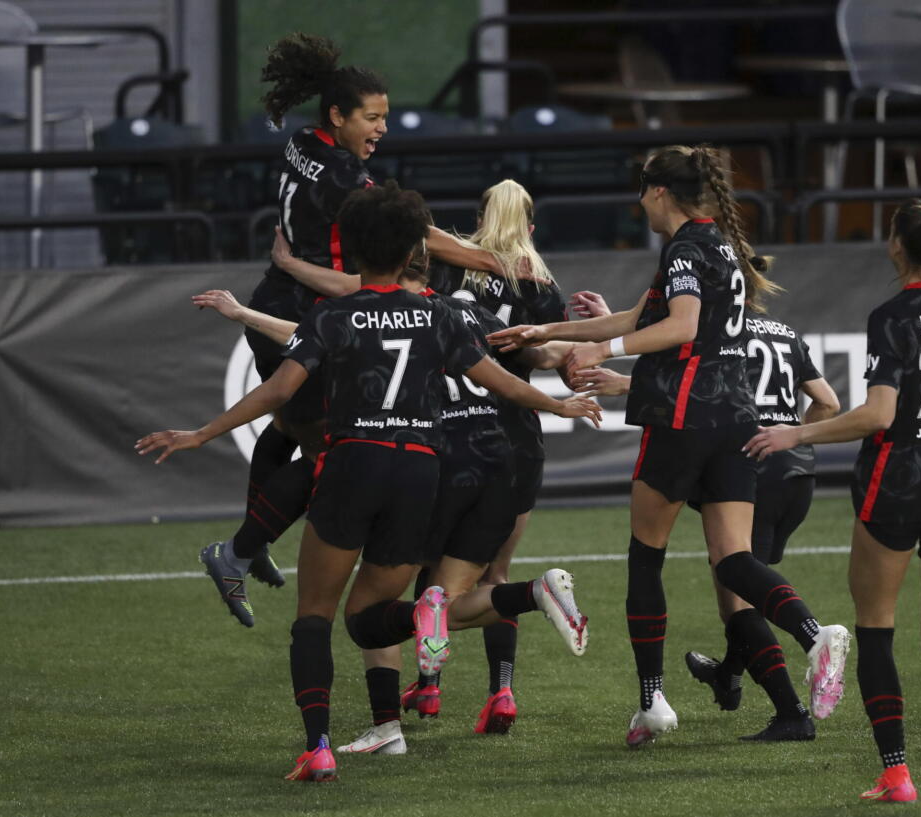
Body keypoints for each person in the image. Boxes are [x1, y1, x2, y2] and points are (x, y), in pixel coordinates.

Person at [137, 182, 600, 781]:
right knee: (370, 614)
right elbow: (500, 381)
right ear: (417, 249)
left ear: (352, 250)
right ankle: (426, 618)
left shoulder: (332, 313)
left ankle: (319, 746)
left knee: (316, 616)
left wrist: (200, 433)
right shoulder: (442, 313)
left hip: (356, 462)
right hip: (421, 471)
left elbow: (278, 390)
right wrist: (560, 406)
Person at [489, 145, 851, 748]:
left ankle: (652, 699)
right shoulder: (720, 246)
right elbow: (639, 314)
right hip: (737, 420)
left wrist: (603, 352)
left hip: (684, 420)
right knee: (733, 560)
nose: (638, 202)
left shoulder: (683, 247)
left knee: (645, 556)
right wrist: (548, 328)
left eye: (642, 190)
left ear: (660, 192)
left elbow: (679, 326)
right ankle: (813, 633)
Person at [203, 33, 508, 627]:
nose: (382, 128)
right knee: (333, 454)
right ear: (337, 116)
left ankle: (250, 542)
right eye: (372, 117)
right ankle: (236, 551)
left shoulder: (301, 143)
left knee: (292, 425)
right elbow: (412, 232)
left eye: (385, 117)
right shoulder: (344, 175)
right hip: (313, 312)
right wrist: (492, 259)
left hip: (281, 298)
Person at [746, 183, 921, 803]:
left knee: (876, 630)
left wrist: (798, 429)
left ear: (896, 246)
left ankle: (897, 773)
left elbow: (878, 416)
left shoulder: (891, 317)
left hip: (897, 482)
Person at [573, 308, 841, 741]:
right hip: (796, 473)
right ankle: (729, 675)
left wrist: (619, 373)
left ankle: (793, 703)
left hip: (746, 453)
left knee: (733, 597)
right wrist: (794, 441)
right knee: (741, 580)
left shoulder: (715, 326)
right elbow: (827, 402)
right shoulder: (784, 329)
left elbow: (700, 385)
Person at [403, 179, 571, 729]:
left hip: (446, 436)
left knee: (430, 572)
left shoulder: (446, 268)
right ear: (531, 226)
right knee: (496, 575)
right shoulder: (541, 287)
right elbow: (552, 359)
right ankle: (502, 693)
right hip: (515, 439)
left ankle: (428, 688)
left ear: (478, 218)